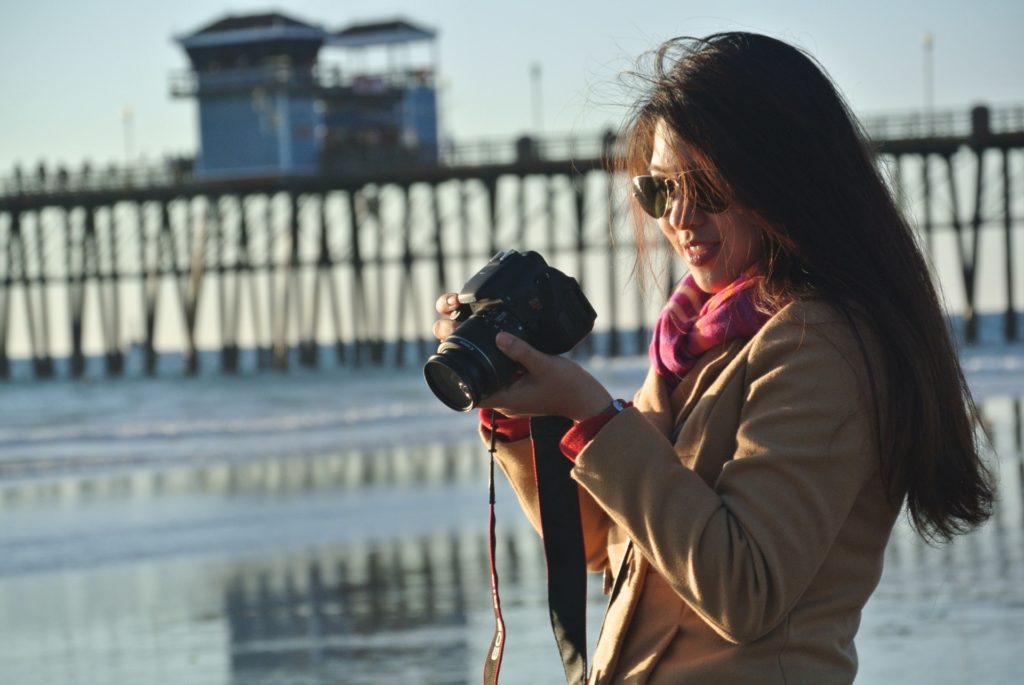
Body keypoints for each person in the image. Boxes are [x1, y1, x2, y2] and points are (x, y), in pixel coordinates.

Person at [433, 32, 994, 684]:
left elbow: (744, 587)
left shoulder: (819, 344)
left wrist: (587, 407)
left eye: (708, 187)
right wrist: (520, 414)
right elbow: (601, 540)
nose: (680, 217)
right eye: (658, 190)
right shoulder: (696, 342)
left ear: (781, 178)